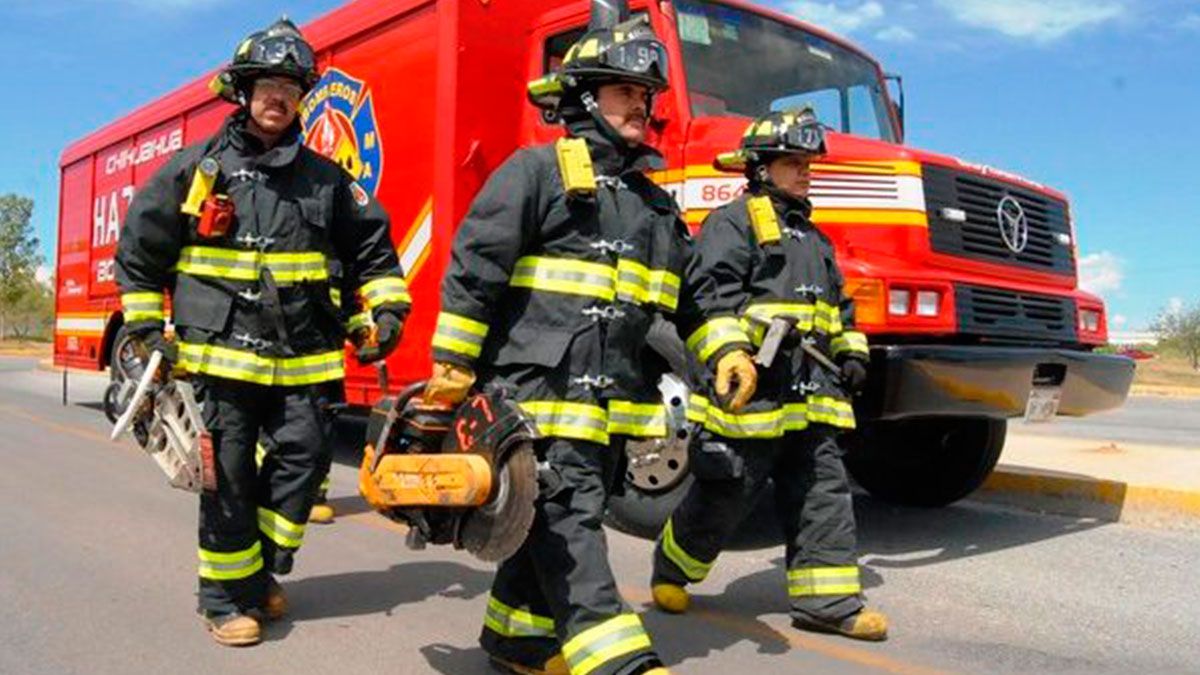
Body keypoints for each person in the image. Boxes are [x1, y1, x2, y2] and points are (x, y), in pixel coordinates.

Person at [424, 18, 753, 675]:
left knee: (547, 519)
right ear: (581, 99)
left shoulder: (653, 207)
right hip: (536, 399)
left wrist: (726, 349)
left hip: (609, 410)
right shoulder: (535, 173)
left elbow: (695, 298)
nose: (641, 103)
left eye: (646, 93)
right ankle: (616, 657)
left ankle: (516, 637)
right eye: (623, 90)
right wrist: (455, 360)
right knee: (571, 524)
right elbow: (476, 264)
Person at [115, 17, 408, 646]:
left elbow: (376, 257)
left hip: (305, 361)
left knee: (302, 472)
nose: (279, 97)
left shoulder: (329, 182)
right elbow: (139, 257)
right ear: (243, 93)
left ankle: (262, 570)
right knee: (227, 480)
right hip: (217, 360)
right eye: (267, 85)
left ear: (303, 97)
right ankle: (224, 599)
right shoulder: (195, 170)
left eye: (291, 86)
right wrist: (145, 330)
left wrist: (385, 314)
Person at [648, 108, 888, 641]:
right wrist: (732, 352)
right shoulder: (732, 224)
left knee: (822, 491)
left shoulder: (813, 240)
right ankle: (673, 568)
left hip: (812, 394)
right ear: (760, 169)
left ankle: (828, 602)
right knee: (728, 490)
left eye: (808, 164)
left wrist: (852, 352)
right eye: (793, 163)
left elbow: (838, 309)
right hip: (753, 391)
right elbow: (709, 296)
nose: (806, 173)